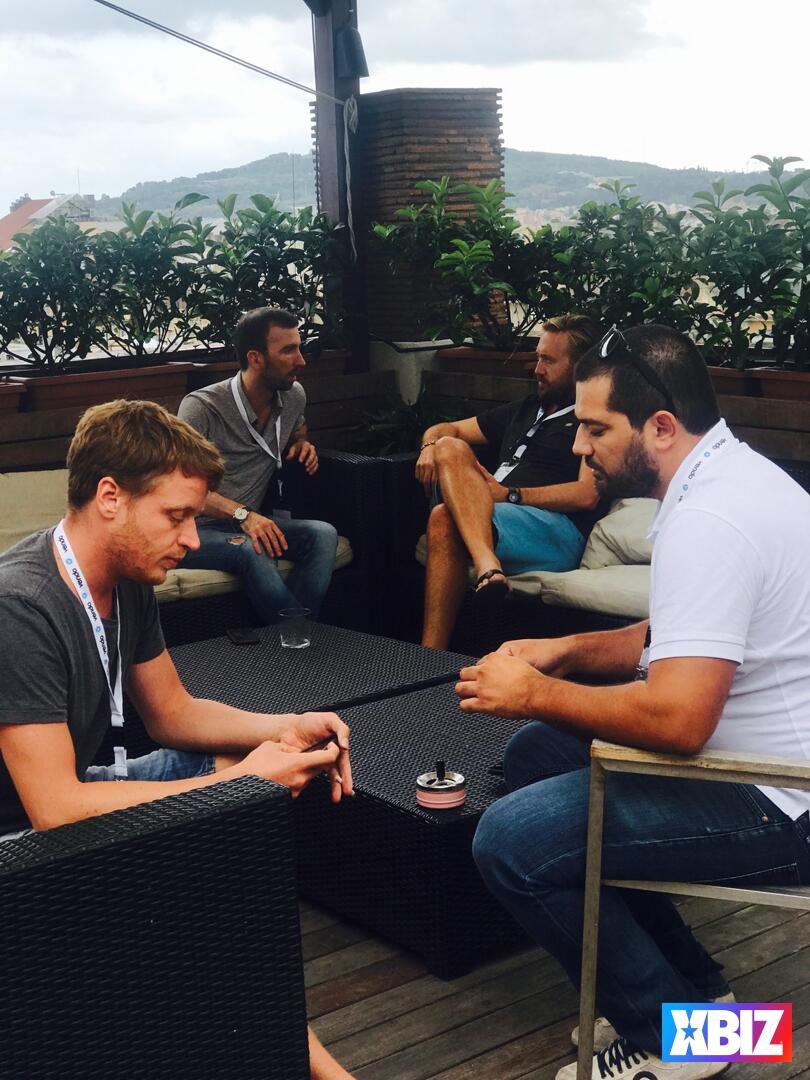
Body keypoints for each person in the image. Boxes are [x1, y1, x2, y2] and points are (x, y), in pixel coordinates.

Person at [462, 324, 810, 1080]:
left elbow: (678, 722)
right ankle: (703, 1001)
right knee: (537, 756)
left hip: (780, 798)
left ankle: (674, 1040)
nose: (579, 447)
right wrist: (564, 651)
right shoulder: (726, 477)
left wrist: (536, 691)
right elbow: (678, 634)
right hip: (759, 758)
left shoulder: (711, 519)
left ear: (660, 426)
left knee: (510, 843)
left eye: (595, 429)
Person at [0, 399, 354, 1080]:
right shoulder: (21, 608)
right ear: (110, 497)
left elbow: (172, 713)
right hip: (18, 843)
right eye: (177, 516)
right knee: (232, 790)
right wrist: (240, 786)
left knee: (229, 760)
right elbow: (54, 809)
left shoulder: (125, 578)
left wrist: (284, 726)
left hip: (71, 798)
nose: (193, 539)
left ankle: (247, 1003)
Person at [415, 314, 603, 650]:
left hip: (554, 530)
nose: (537, 369)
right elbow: (447, 429)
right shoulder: (526, 409)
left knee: (443, 518)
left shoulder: (590, 417)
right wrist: (430, 446)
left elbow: (586, 494)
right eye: (537, 358)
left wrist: (509, 495)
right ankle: (488, 564)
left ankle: (429, 655)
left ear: (579, 368)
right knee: (449, 447)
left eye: (548, 361)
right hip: (490, 513)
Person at [178, 306, 338, 624]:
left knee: (322, 534)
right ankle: (301, 636)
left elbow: (298, 426)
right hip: (192, 528)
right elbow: (181, 488)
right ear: (255, 358)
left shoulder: (293, 395)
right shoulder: (201, 407)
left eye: (299, 348)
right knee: (253, 548)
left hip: (249, 522)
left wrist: (301, 442)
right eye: (289, 351)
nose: (301, 361)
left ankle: (291, 637)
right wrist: (244, 515)